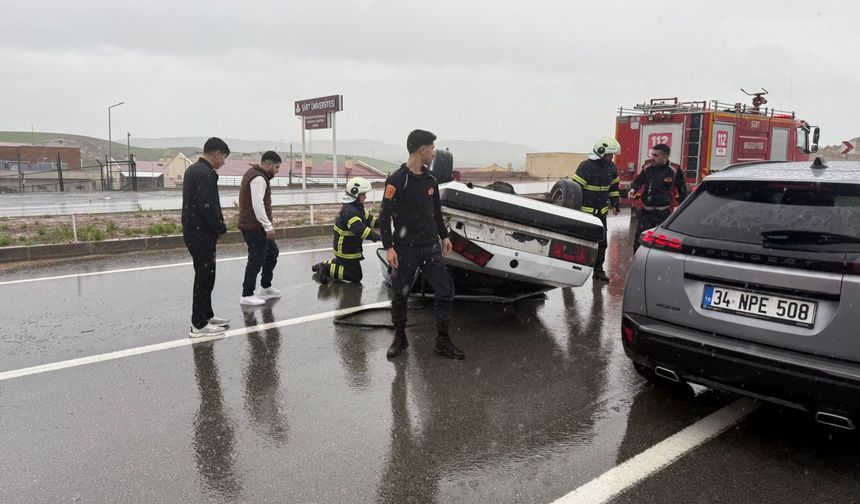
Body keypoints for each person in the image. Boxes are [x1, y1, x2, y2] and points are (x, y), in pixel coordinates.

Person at [378, 129, 464, 360]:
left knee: (445, 292)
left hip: (430, 247)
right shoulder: (397, 180)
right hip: (404, 249)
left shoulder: (431, 180)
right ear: (422, 150)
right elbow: (384, 217)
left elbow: (436, 212)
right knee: (400, 295)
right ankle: (400, 337)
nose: (434, 153)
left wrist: (444, 236)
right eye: (432, 148)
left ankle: (442, 341)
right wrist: (389, 247)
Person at [182, 137, 230, 337]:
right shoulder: (203, 173)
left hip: (196, 231)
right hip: (201, 233)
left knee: (207, 275)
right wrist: (219, 227)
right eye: (224, 157)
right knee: (203, 277)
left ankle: (206, 315)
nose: (223, 162)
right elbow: (207, 206)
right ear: (217, 154)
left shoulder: (196, 170)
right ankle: (199, 325)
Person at [311, 176, 380, 284]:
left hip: (347, 248)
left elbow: (369, 219)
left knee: (344, 264)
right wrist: (378, 237)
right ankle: (325, 268)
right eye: (363, 194)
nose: (365, 197)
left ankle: (323, 265)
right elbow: (359, 230)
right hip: (346, 250)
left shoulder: (356, 207)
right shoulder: (350, 211)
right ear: (355, 194)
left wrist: (383, 222)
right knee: (355, 275)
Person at [572, 136, 622, 283]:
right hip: (585, 213)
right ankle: (573, 269)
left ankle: (598, 270)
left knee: (602, 243)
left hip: (601, 213)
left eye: (612, 155)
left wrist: (615, 203)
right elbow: (576, 189)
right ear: (600, 152)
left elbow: (614, 187)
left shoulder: (612, 167)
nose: (611, 157)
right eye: (609, 154)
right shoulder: (586, 166)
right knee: (579, 242)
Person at [238, 151, 283, 305]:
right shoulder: (258, 179)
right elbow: (258, 205)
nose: (277, 171)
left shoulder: (257, 174)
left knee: (272, 253)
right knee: (256, 258)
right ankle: (247, 294)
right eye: (276, 167)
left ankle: (265, 286)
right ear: (268, 164)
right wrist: (267, 225)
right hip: (254, 226)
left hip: (255, 224)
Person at [628, 143, 688, 252]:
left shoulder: (674, 170)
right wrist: (633, 189)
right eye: (652, 155)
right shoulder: (647, 167)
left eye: (656, 155)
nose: (653, 158)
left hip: (664, 213)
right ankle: (637, 260)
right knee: (639, 241)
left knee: (663, 243)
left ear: (665, 156)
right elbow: (639, 180)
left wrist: (682, 209)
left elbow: (682, 190)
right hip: (646, 212)